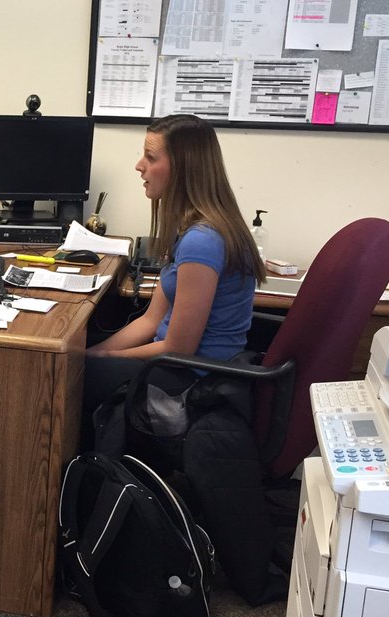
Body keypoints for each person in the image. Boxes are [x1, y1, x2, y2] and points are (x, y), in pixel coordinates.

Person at [82, 114, 265, 437]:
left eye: (151, 157)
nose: (139, 166)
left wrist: (103, 358)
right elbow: (151, 321)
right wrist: (97, 353)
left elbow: (179, 348)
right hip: (177, 365)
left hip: (193, 383)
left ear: (182, 168)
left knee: (60, 376)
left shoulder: (203, 241)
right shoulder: (191, 230)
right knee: (75, 357)